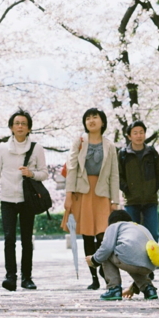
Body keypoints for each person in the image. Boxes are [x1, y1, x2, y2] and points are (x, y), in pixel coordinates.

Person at [0, 109, 48, 291]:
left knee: (27, 239)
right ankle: (10, 277)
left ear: (29, 128)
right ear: (11, 127)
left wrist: (31, 173)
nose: (20, 126)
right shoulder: (2, 149)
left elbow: (44, 173)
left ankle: (27, 277)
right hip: (7, 200)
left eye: (23, 123)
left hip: (27, 200)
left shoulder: (36, 148)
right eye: (17, 123)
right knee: (8, 239)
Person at [61, 107, 121, 290]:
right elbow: (72, 169)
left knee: (103, 236)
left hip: (102, 194)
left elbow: (114, 174)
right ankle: (94, 277)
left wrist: (115, 200)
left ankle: (106, 273)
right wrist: (69, 195)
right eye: (88, 118)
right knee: (87, 235)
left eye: (95, 117)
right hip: (83, 193)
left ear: (102, 122)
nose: (91, 120)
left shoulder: (110, 146)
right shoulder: (79, 142)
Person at [87, 209, 159, 301]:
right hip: (149, 265)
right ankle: (149, 289)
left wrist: (94, 260)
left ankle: (114, 288)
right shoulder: (140, 227)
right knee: (133, 258)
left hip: (130, 260)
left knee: (106, 253)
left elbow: (106, 247)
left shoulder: (114, 226)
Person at [118, 120, 159, 241]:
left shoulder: (152, 153)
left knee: (153, 235)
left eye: (141, 132)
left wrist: (152, 188)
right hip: (131, 201)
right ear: (129, 136)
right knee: (132, 235)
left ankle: (152, 260)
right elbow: (118, 176)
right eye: (135, 133)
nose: (139, 135)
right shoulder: (123, 154)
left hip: (150, 201)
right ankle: (134, 260)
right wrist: (127, 189)